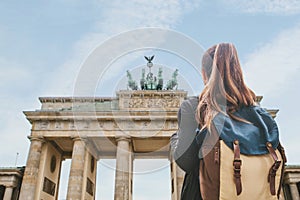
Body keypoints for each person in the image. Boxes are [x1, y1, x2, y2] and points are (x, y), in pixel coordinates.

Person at [170, 43, 283, 199]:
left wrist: (176, 137)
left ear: (204, 74)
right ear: (237, 71)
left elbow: (186, 162)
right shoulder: (261, 116)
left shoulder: (195, 107)